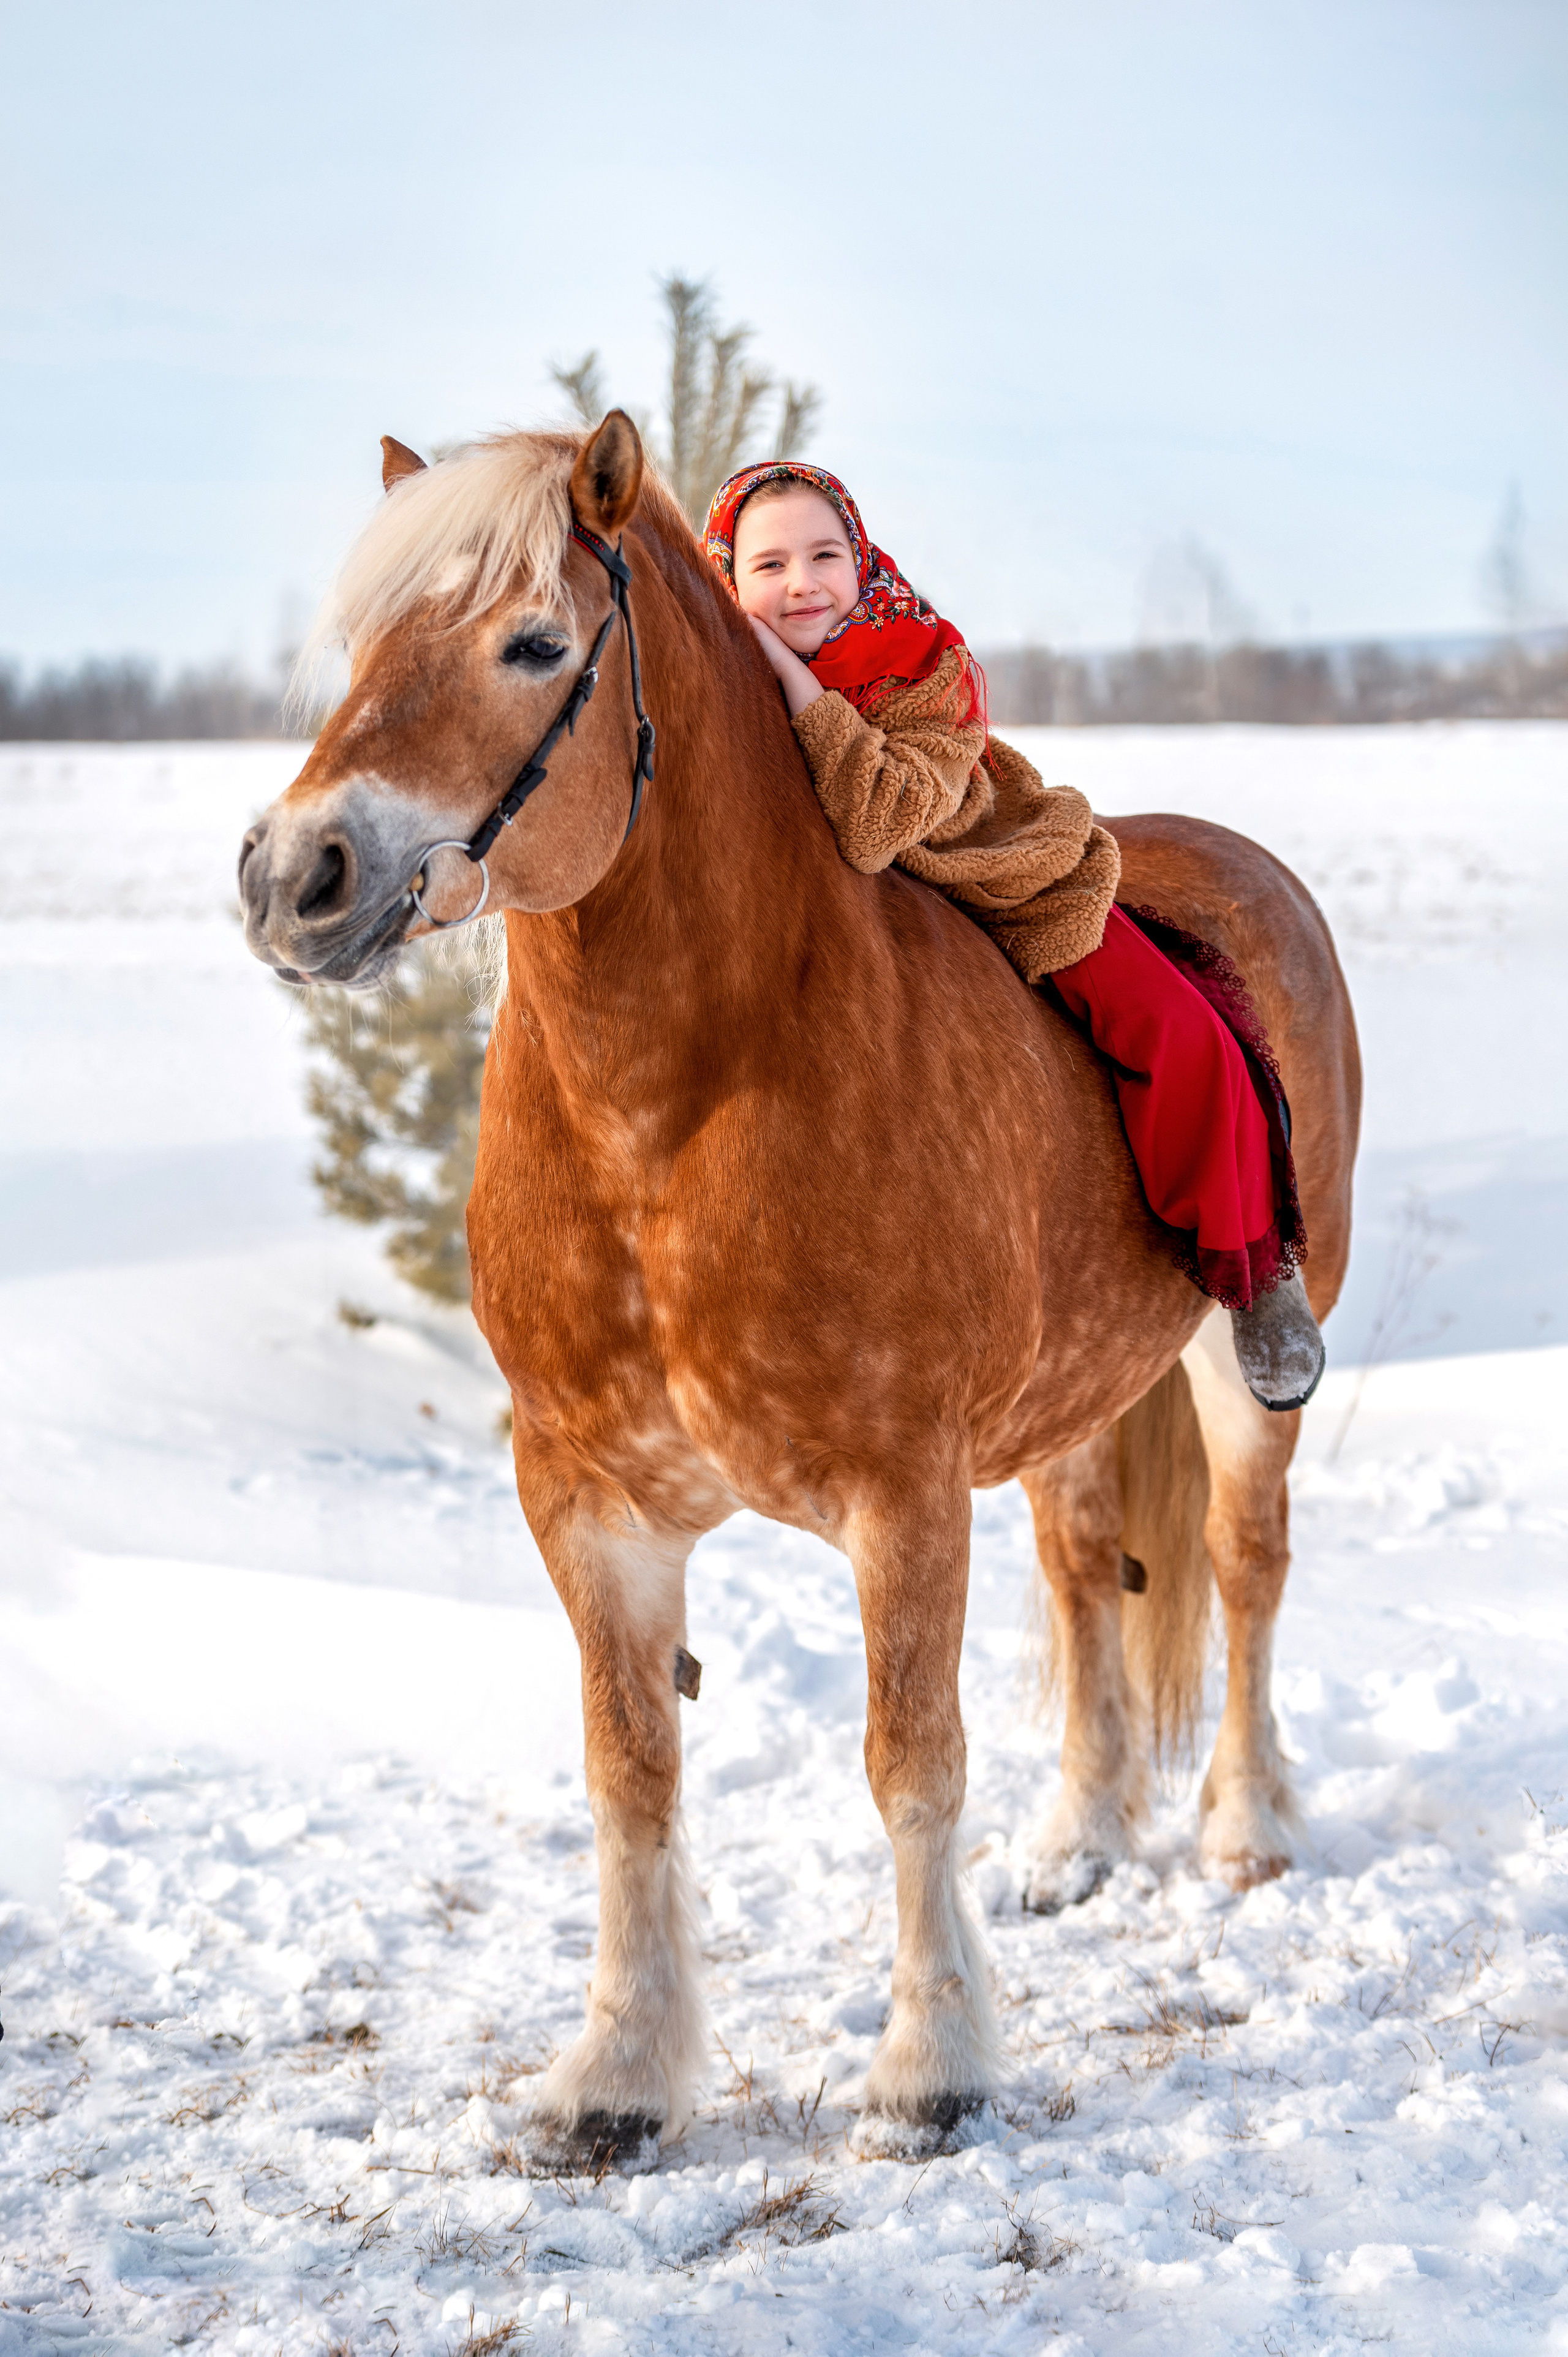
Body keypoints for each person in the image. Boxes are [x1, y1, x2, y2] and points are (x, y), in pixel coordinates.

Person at [702, 462, 1325, 1412]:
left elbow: (878, 822)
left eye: (825, 555)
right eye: (771, 564)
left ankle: (1256, 1273)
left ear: (861, 560)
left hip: (1000, 885)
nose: (802, 584)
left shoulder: (918, 661)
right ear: (728, 579)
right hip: (851, 921)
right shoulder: (712, 691)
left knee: (1177, 1028)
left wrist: (793, 683)